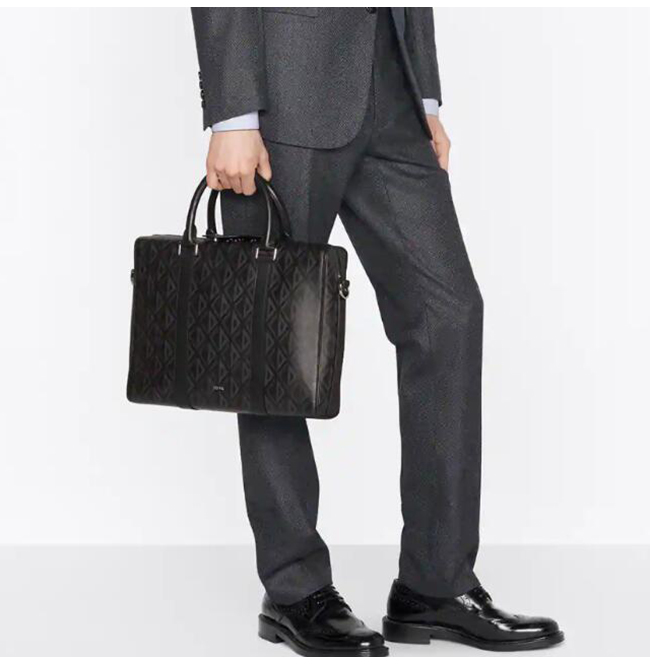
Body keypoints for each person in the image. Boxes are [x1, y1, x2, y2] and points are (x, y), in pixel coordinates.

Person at [191, 7, 564, 657]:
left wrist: (424, 94)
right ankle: (295, 590)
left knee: (449, 315)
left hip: (390, 84)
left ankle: (435, 582)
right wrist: (233, 113)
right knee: (273, 336)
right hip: (284, 90)